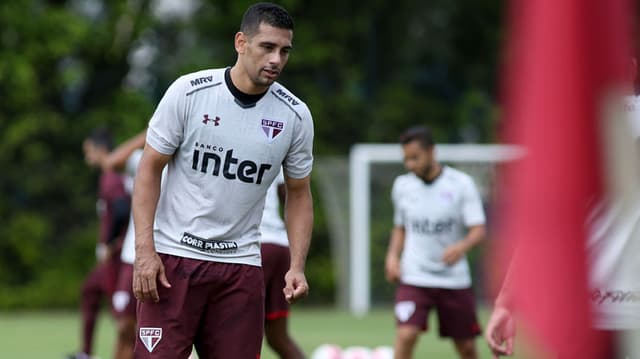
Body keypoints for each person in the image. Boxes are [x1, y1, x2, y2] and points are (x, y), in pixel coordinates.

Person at [131, 2, 314, 358]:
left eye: (285, 50)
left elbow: (299, 193)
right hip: (174, 261)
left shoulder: (295, 116)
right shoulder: (189, 92)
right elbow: (149, 169)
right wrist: (144, 251)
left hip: (241, 267)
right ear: (241, 42)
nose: (277, 59)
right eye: (267, 47)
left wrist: (296, 265)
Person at [385, 126, 486, 359]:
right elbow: (400, 228)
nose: (410, 165)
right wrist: (392, 257)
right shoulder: (402, 186)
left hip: (453, 279)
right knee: (405, 336)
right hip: (415, 275)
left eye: (415, 158)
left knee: (467, 348)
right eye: (406, 159)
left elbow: (478, 230)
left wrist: (461, 247)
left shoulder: (461, 184)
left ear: (432, 152)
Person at [69, 128, 131, 359]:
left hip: (119, 257)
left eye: (89, 151)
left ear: (101, 149)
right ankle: (85, 352)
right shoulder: (117, 176)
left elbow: (122, 210)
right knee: (90, 291)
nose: (87, 157)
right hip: (116, 256)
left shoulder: (110, 177)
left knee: (124, 317)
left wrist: (109, 243)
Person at [103, 131, 148, 359]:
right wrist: (154, 129)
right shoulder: (149, 158)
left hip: (170, 255)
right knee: (125, 329)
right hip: (135, 256)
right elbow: (112, 161)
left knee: (155, 334)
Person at [260, 169, 305, 359]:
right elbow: (290, 195)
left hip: (249, 247)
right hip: (279, 245)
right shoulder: (274, 140)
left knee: (235, 336)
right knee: (278, 337)